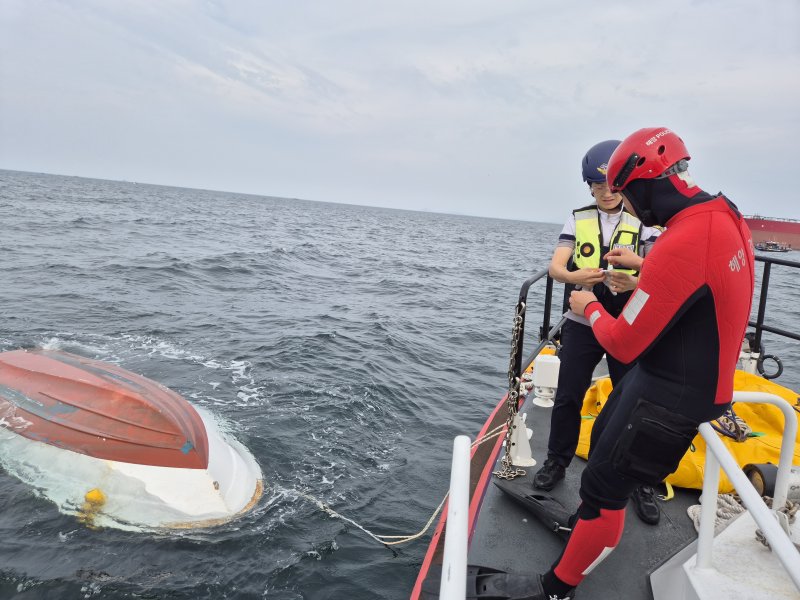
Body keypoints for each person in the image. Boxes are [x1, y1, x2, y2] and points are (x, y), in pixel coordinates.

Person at [472, 127, 755, 600]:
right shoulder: (720, 215)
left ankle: (557, 587)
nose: (624, 202)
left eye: (625, 192)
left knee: (606, 482)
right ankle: (585, 522)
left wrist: (589, 307)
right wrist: (647, 266)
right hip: (667, 372)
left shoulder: (681, 240)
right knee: (601, 438)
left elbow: (623, 345)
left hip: (672, 395)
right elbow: (697, 278)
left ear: (642, 183)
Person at [534, 139, 663, 525]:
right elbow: (557, 267)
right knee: (569, 395)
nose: (607, 193)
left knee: (634, 403)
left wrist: (634, 279)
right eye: (599, 186)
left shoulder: (645, 222)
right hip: (582, 322)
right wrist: (574, 276)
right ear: (588, 186)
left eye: (614, 185)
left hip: (628, 322)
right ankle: (557, 461)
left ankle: (639, 481)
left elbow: (660, 270)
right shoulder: (577, 218)